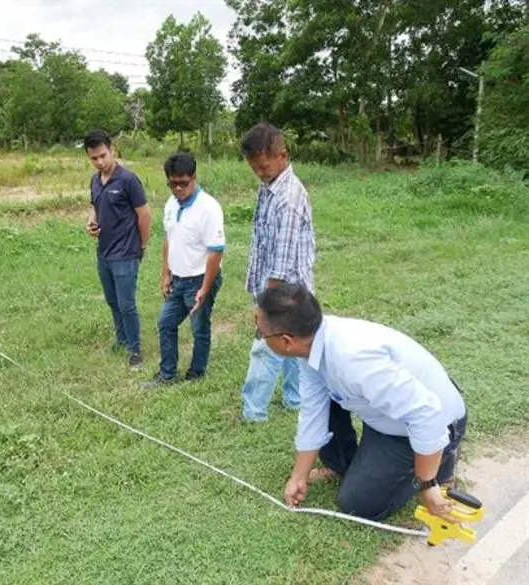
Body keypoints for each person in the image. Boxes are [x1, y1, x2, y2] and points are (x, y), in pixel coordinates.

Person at [255, 283, 468, 523]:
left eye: (261, 333)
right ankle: (343, 466)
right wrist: (299, 476)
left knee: (357, 505)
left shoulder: (353, 360)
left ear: (286, 341)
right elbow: (313, 409)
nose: (261, 338)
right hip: (387, 417)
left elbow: (426, 413)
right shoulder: (312, 343)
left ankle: (442, 458)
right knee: (327, 401)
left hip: (434, 422)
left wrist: (426, 484)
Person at [240, 123, 316, 421]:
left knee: (266, 347)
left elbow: (282, 265)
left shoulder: (289, 198)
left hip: (284, 292)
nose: (259, 172)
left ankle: (253, 413)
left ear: (282, 155)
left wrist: (264, 307)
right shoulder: (269, 187)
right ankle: (295, 400)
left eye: (263, 166)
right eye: (254, 168)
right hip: (279, 288)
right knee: (292, 344)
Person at [143, 153, 225, 388]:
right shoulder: (171, 204)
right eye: (172, 184)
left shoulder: (209, 208)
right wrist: (165, 274)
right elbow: (169, 239)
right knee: (165, 323)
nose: (178, 189)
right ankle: (167, 375)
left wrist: (205, 288)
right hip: (178, 278)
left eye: (183, 183)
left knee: (199, 327)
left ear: (194, 178)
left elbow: (216, 251)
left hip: (200, 279)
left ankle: (196, 373)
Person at [84, 130, 151, 370]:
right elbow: (95, 205)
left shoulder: (128, 180)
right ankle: (121, 340)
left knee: (126, 304)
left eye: (103, 155)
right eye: (94, 158)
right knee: (112, 300)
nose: (99, 162)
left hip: (125, 252)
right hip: (104, 252)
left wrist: (141, 245)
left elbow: (144, 215)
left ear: (112, 150)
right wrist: (90, 222)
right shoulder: (95, 180)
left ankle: (135, 350)